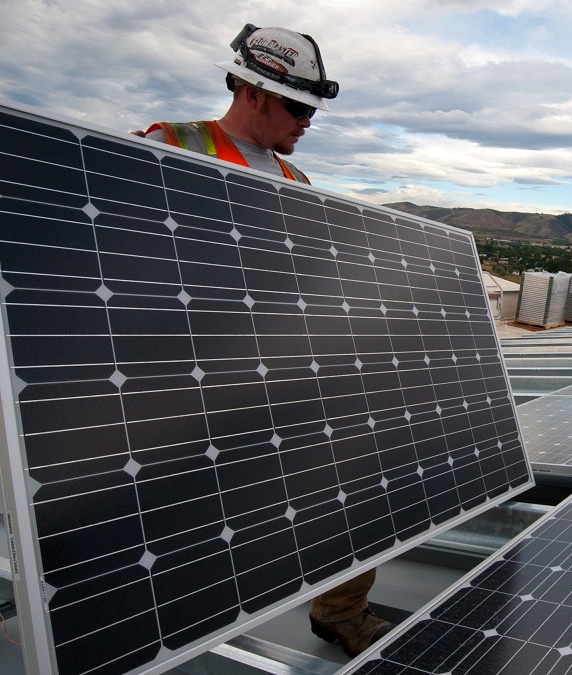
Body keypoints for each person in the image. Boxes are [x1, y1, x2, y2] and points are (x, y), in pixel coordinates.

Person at [144, 24, 391, 658]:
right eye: (298, 106)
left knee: (353, 474)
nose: (308, 121)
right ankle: (167, 633)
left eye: (313, 109)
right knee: (196, 519)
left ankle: (340, 608)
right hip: (192, 374)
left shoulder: (295, 179)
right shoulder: (169, 145)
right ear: (253, 92)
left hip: (275, 365)